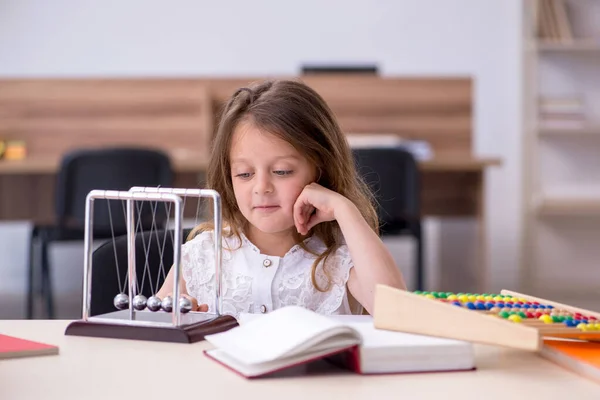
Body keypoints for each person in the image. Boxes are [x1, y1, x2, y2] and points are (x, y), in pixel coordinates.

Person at [157, 79, 406, 318]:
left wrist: (344, 209)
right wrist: (179, 318)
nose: (262, 187)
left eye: (282, 171)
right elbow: (152, 332)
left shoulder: (343, 257)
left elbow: (396, 311)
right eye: (244, 174)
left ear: (320, 169)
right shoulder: (203, 255)